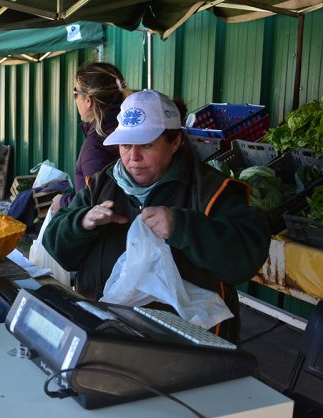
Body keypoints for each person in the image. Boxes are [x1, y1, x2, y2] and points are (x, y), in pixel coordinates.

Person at [42, 89, 270, 343]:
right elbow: (57, 248)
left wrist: (182, 227)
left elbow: (246, 258)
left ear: (175, 142)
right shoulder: (101, 185)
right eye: (126, 145)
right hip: (105, 335)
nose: (133, 158)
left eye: (147, 145)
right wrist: (82, 223)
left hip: (187, 345)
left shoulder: (213, 191)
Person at [50, 62, 130, 212]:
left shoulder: (96, 145)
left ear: (88, 100)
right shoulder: (129, 130)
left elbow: (96, 204)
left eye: (75, 93)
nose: (75, 99)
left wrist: (63, 201)